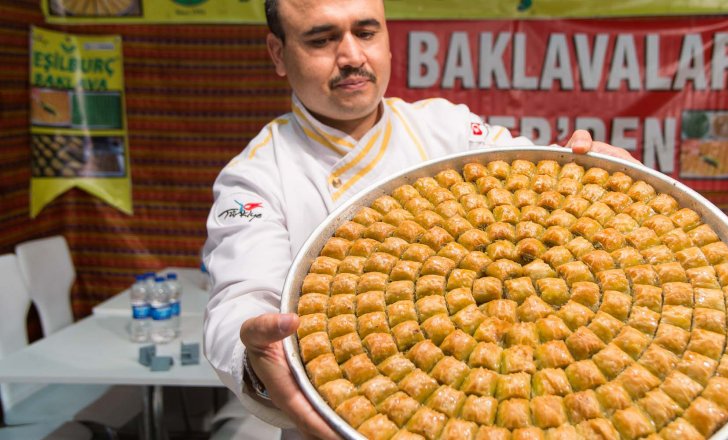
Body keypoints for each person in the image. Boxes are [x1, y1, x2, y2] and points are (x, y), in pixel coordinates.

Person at [202, 0, 637, 438]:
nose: (352, 56)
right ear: (278, 53)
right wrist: (258, 356)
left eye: (367, 33)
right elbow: (240, 299)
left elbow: (537, 192)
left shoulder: (448, 128)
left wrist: (583, 167)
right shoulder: (256, 177)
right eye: (323, 39)